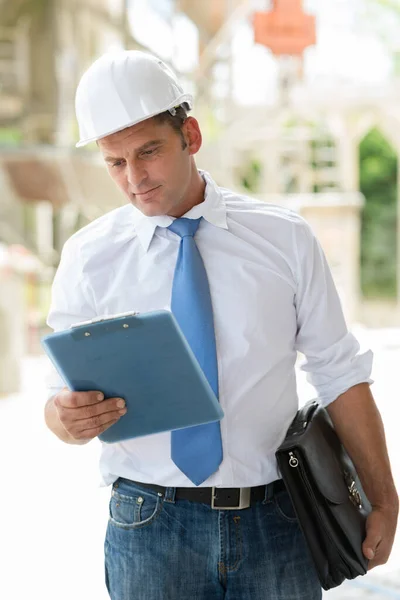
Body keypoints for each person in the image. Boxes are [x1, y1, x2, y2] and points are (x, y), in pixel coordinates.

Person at [44, 50, 398, 600]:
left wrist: (384, 497)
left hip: (278, 521)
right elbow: (57, 400)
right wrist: (66, 418)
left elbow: (339, 371)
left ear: (191, 133)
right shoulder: (89, 259)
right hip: (148, 525)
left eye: (149, 152)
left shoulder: (284, 240)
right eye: (115, 162)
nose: (134, 179)